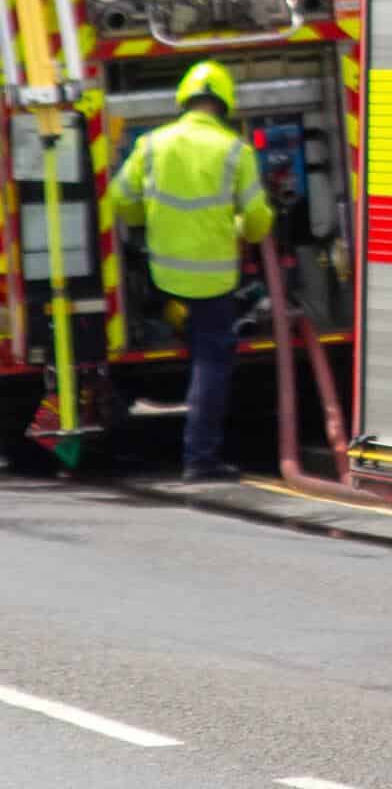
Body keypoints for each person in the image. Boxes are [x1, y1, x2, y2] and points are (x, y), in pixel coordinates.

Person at [108, 61, 273, 483]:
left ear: (184, 100)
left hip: (162, 273)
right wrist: (243, 227)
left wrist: (147, 222)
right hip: (214, 280)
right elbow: (256, 220)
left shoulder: (151, 144)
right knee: (212, 361)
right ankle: (200, 458)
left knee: (178, 333)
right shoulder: (236, 150)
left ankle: (166, 325)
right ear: (225, 104)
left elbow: (119, 199)